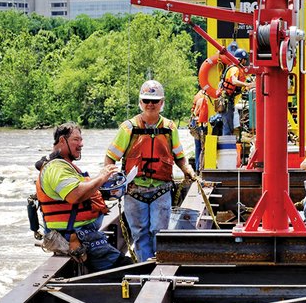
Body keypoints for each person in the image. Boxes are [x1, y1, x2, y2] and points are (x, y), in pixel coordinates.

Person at [104, 80, 197, 261]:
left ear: (162, 103)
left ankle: (159, 265)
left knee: (159, 232)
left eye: (155, 101)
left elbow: (179, 157)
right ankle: (145, 267)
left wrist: (188, 170)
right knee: (139, 234)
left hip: (160, 190)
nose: (150, 105)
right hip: (134, 191)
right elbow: (110, 158)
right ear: (140, 102)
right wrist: (113, 178)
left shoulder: (169, 128)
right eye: (146, 100)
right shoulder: (128, 128)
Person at [35, 122, 132, 272]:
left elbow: (81, 194)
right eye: (76, 140)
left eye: (81, 140)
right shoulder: (56, 168)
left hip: (82, 235)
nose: (81, 144)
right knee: (130, 269)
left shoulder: (63, 166)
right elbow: (75, 195)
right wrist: (101, 177)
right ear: (62, 140)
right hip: (76, 237)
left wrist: (104, 189)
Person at [219, 48, 254, 135]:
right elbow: (234, 81)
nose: (245, 62)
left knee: (230, 126)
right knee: (228, 127)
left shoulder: (235, 68)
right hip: (226, 101)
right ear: (241, 60)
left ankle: (229, 146)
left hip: (229, 100)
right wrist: (246, 85)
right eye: (245, 60)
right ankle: (227, 147)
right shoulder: (235, 69)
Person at [189, 87, 209, 173]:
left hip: (194, 122)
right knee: (203, 147)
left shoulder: (197, 95)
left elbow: (193, 111)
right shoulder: (205, 98)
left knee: (198, 148)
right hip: (200, 124)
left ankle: (197, 168)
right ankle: (201, 168)